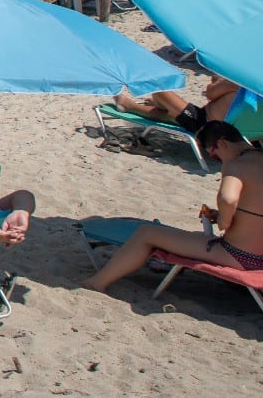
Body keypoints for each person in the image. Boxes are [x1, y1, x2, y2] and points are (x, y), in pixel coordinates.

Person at [86, 120, 263, 291]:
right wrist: (220, 216)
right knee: (193, 236)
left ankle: (97, 283)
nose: (217, 159)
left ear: (222, 143)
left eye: (214, 155)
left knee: (146, 233)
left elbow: (228, 199)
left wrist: (224, 221)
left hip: (241, 256)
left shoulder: (236, 165)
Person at [110, 75, 250, 135]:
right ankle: (129, 105)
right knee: (177, 114)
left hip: (205, 124)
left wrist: (219, 80)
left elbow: (210, 94)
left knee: (158, 89)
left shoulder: (240, 81)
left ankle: (135, 105)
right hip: (237, 133)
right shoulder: (257, 90)